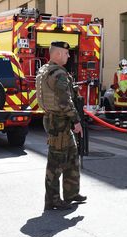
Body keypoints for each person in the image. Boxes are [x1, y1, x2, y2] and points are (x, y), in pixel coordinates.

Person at [36, 41, 87, 210]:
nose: (69, 55)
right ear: (57, 54)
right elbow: (65, 102)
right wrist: (77, 121)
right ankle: (52, 200)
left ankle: (72, 193)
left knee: (72, 156)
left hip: (57, 120)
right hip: (59, 121)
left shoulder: (45, 69)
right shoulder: (58, 74)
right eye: (66, 53)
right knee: (56, 162)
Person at [112, 58, 127, 127]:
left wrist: (121, 94)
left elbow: (115, 85)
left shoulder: (117, 73)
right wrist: (126, 94)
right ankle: (125, 123)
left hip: (119, 96)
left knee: (118, 110)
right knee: (126, 110)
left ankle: (117, 122)